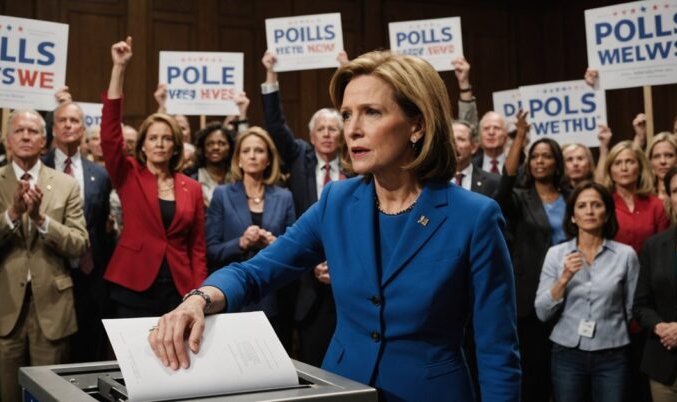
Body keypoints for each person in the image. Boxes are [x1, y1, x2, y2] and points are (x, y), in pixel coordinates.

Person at [150, 50, 520, 402]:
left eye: (371, 112)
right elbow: (255, 273)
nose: (352, 129)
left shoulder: (474, 217)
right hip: (343, 389)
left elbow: (497, 352)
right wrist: (198, 300)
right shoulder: (337, 201)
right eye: (346, 115)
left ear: (417, 124)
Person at [0, 109, 89, 402]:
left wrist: (42, 220)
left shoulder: (66, 184)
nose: (26, 136)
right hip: (3, 306)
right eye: (19, 131)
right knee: (6, 394)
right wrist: (13, 214)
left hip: (53, 308)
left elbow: (79, 244)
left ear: (44, 140)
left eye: (33, 131)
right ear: (8, 139)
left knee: (49, 396)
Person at [100, 37, 207, 319]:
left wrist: (199, 293)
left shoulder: (192, 187)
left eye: (167, 138)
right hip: (133, 284)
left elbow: (197, 247)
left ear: (175, 146)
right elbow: (110, 136)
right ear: (143, 144)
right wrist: (119, 68)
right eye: (153, 138)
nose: (159, 143)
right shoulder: (129, 173)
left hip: (178, 287)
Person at [261, 50, 347, 366]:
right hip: (305, 272)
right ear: (311, 136)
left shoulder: (355, 165)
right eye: (321, 129)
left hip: (348, 267)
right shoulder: (300, 156)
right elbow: (275, 124)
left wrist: (345, 75)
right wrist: (271, 74)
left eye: (333, 128)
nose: (326, 133)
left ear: (343, 135)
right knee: (312, 352)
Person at [535, 181, 639, 402]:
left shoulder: (626, 255)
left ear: (608, 213)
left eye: (596, 205)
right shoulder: (556, 254)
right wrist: (563, 279)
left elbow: (632, 308)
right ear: (572, 216)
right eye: (582, 206)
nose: (589, 211)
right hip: (567, 353)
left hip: (613, 353)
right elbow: (542, 311)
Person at [496, 110, 569, 402]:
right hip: (529, 297)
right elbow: (506, 182)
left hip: (570, 290)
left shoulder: (572, 196)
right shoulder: (519, 198)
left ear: (556, 163)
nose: (539, 161)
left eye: (546, 156)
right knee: (535, 374)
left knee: (565, 376)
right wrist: (521, 138)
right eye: (535, 156)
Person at [205, 127, 296, 349]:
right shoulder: (222, 194)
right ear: (239, 159)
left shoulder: (284, 197)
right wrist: (241, 242)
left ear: (268, 160)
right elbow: (212, 249)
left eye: (259, 150)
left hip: (273, 295)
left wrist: (275, 244)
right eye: (246, 151)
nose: (253, 155)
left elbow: (295, 249)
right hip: (234, 294)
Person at [42, 101, 115, 363]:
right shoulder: (39, 167)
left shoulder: (99, 174)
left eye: (74, 121)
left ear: (83, 128)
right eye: (62, 120)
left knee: (88, 351)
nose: (68, 125)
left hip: (91, 276)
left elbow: (102, 229)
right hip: (51, 271)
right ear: (52, 127)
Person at [635, 161, 677, 402]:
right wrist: (660, 327)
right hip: (664, 364)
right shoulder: (655, 245)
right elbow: (640, 303)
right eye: (676, 191)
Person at [601, 139, 669, 253]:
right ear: (610, 171)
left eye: (630, 162)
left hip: (649, 268)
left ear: (640, 167)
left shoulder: (657, 206)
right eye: (617, 163)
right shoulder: (603, 205)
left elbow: (664, 248)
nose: (624, 168)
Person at [452, 120, 499, 197]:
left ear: (474, 147)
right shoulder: (434, 181)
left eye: (461, 139)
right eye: (450, 139)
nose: (454, 144)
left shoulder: (493, 182)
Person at [192, 123, 235, 208]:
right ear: (203, 149)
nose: (215, 147)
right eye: (210, 144)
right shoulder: (193, 180)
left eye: (221, 143)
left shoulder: (238, 179)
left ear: (230, 148)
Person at [646, 132, 677, 201]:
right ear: (650, 162)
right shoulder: (643, 197)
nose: (663, 161)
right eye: (657, 156)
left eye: (668, 155)